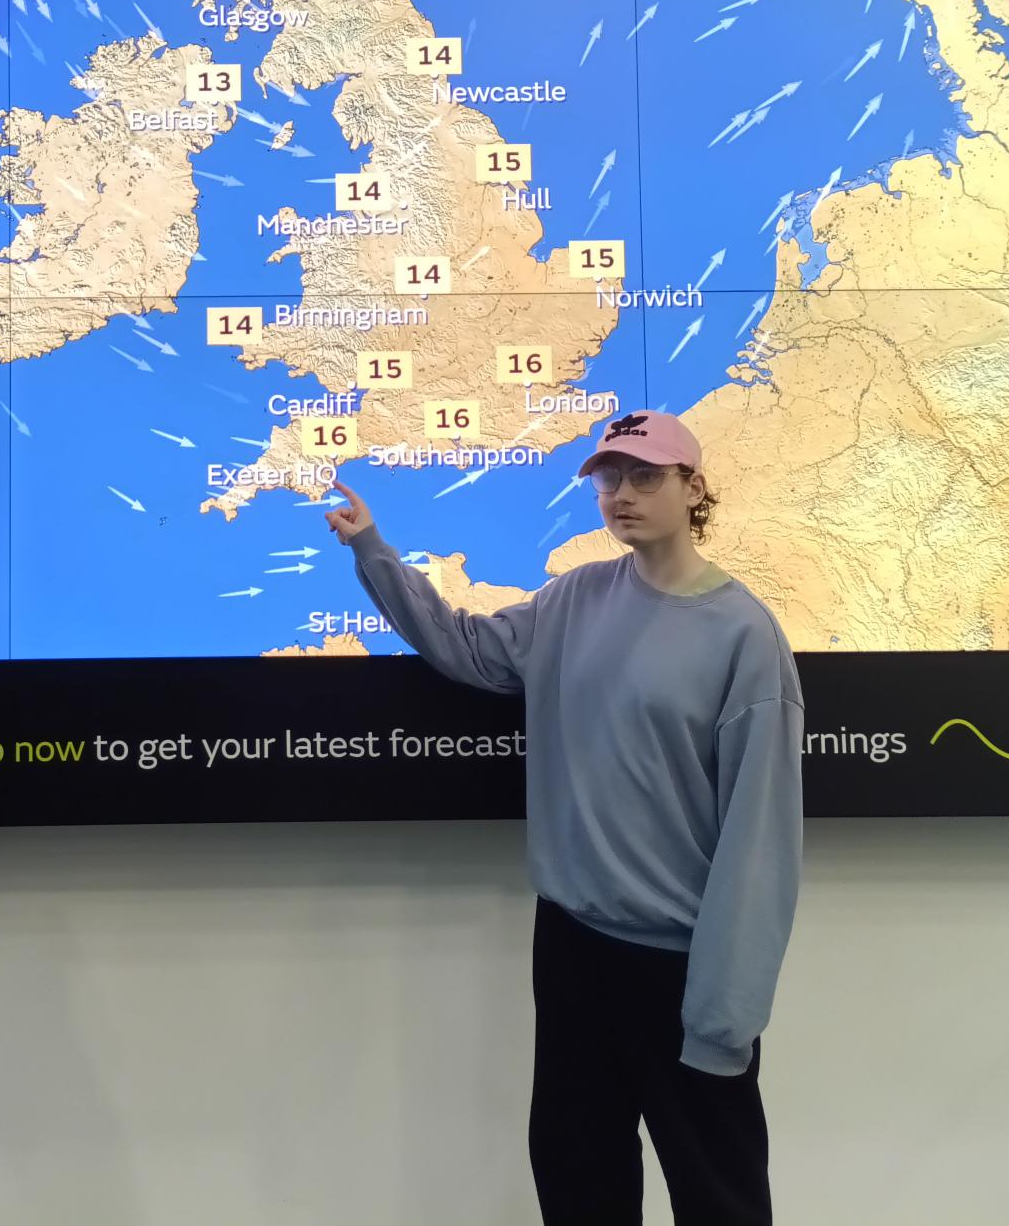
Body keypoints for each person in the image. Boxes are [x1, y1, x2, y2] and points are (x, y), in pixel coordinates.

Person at [325, 409, 802, 1225]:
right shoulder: (577, 597)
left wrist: (723, 1019)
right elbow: (467, 649)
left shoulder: (745, 638)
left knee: (717, 1192)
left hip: (682, 966)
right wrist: (373, 548)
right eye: (609, 479)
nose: (621, 495)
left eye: (645, 477)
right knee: (578, 1178)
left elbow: (761, 844)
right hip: (575, 947)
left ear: (694, 488)